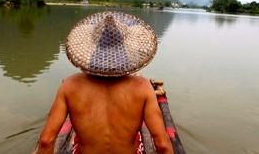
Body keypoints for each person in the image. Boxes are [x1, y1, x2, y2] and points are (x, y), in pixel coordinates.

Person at [36, 11, 174, 154]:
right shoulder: (143, 87)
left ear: (90, 50)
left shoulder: (69, 86)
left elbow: (46, 141)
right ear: (126, 51)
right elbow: (162, 145)